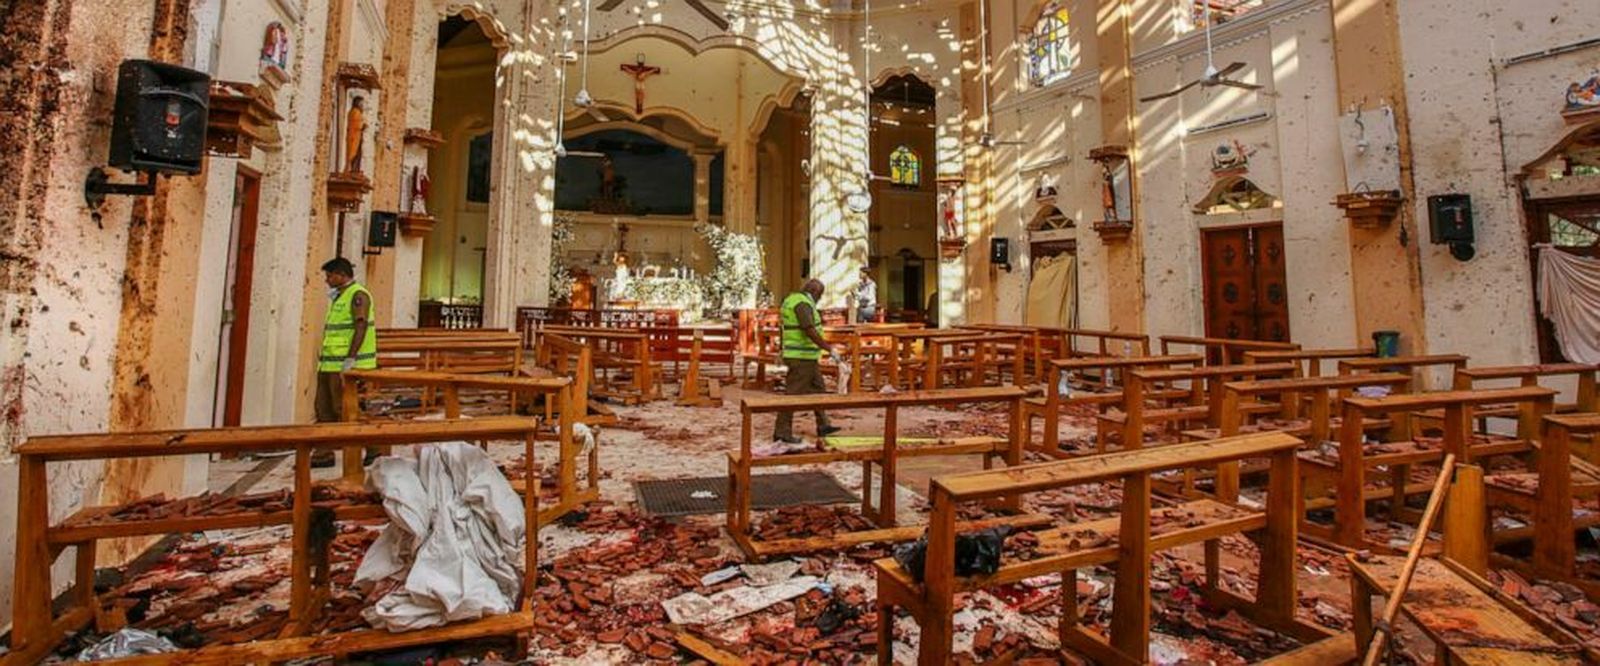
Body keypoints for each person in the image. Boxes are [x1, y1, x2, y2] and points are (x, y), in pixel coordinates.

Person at [314, 257, 377, 466]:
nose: (327, 280)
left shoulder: (357, 295)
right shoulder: (339, 297)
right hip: (329, 363)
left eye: (329, 276)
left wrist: (350, 360)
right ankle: (324, 453)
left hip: (346, 364)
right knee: (324, 409)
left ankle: (373, 447)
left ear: (341, 275)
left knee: (348, 408)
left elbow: (360, 326)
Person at [773, 279, 843, 443]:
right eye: (820, 295)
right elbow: (809, 329)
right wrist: (829, 348)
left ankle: (823, 424)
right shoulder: (803, 304)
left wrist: (781, 349)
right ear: (816, 293)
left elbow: (784, 328)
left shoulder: (792, 299)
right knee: (793, 395)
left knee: (818, 390)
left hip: (806, 356)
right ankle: (782, 432)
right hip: (801, 357)